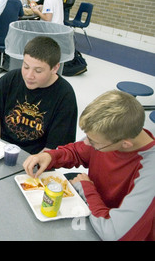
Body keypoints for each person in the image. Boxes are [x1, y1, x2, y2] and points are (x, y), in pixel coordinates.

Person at [23, 90, 155, 241]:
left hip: (104, 227)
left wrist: (86, 189)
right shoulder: (115, 135)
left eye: (93, 142)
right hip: (92, 210)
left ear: (125, 144)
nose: (86, 143)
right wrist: (50, 156)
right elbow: (79, 151)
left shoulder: (149, 174)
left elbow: (114, 233)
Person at [0, 36, 77, 154]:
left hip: (37, 157)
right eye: (26, 67)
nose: (29, 75)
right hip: (3, 147)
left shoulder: (65, 95)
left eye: (38, 71)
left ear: (55, 68)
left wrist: (34, 162)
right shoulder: (10, 79)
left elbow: (56, 146)